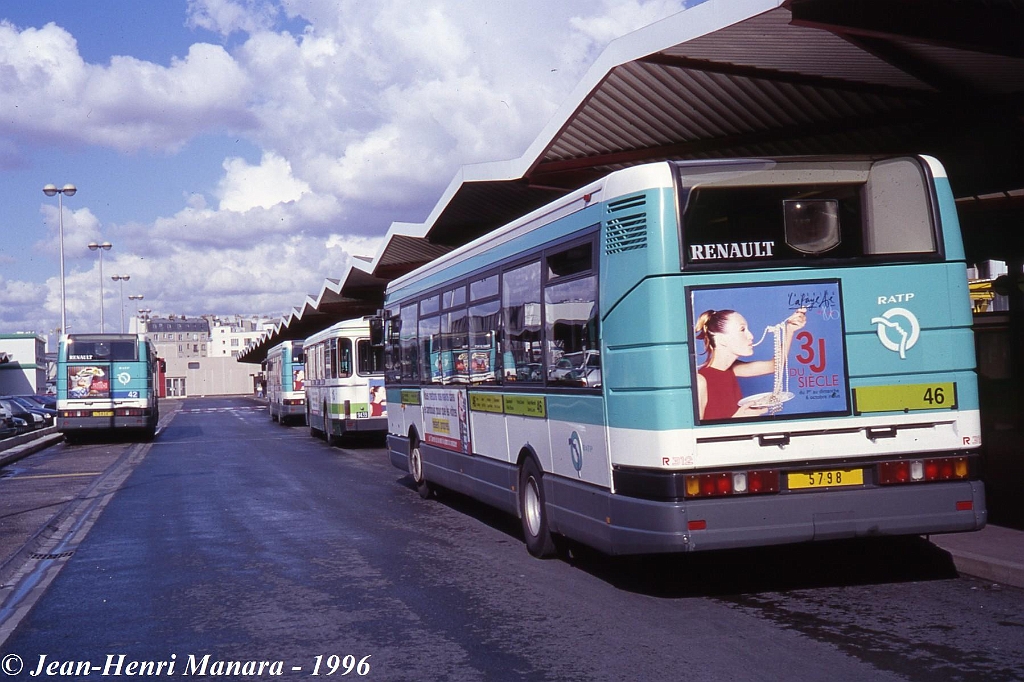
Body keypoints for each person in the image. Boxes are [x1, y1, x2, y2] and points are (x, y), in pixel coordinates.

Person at [694, 307, 806, 420]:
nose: (751, 336)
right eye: (742, 330)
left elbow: (774, 366)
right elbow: (695, 436)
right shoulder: (700, 381)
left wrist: (789, 330)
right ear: (722, 340)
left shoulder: (732, 369)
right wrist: (738, 419)